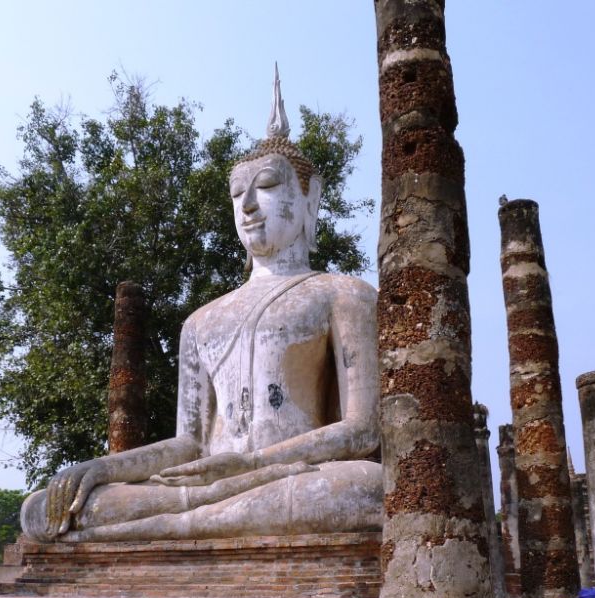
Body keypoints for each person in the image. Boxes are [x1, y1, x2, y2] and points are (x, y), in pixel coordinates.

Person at [20, 70, 383, 543]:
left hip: (289, 477)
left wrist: (251, 463)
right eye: (237, 194)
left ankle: (168, 527)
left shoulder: (343, 294)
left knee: (364, 488)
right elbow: (190, 443)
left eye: (268, 186)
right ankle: (182, 520)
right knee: (43, 507)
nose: (248, 205)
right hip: (205, 486)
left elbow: (361, 430)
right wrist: (103, 468)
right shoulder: (201, 322)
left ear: (309, 199)